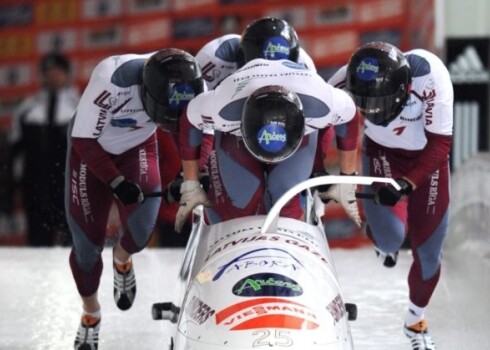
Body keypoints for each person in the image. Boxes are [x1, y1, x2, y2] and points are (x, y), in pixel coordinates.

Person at [66, 48, 204, 349]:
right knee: (87, 249)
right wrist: (116, 182)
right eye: (164, 115)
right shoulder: (111, 80)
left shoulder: (193, 82)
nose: (169, 123)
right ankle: (91, 314)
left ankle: (122, 259)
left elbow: (197, 134)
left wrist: (185, 177)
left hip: (138, 147)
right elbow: (83, 140)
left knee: (141, 232)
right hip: (91, 151)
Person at [330, 41, 453, 350]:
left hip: (427, 160)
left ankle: (415, 322)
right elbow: (318, 118)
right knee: (389, 239)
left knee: (428, 252)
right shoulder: (346, 78)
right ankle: (384, 241)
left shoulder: (432, 78)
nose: (373, 112)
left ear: (404, 87)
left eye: (381, 103)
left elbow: (439, 146)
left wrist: (408, 183)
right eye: (365, 104)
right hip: (383, 152)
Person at [192, 16, 360, 226]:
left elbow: (332, 120)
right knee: (242, 201)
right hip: (238, 122)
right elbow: (194, 120)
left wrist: (323, 170)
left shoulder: (314, 91)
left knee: (285, 200)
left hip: (279, 127)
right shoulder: (220, 83)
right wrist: (197, 169)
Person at [7, 53, 79, 246]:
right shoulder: (27, 110)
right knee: (38, 244)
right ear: (42, 76)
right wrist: (11, 189)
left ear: (67, 75)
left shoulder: (80, 109)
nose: (54, 77)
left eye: (59, 72)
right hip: (36, 190)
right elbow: (13, 154)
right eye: (49, 72)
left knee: (72, 247)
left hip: (70, 190)